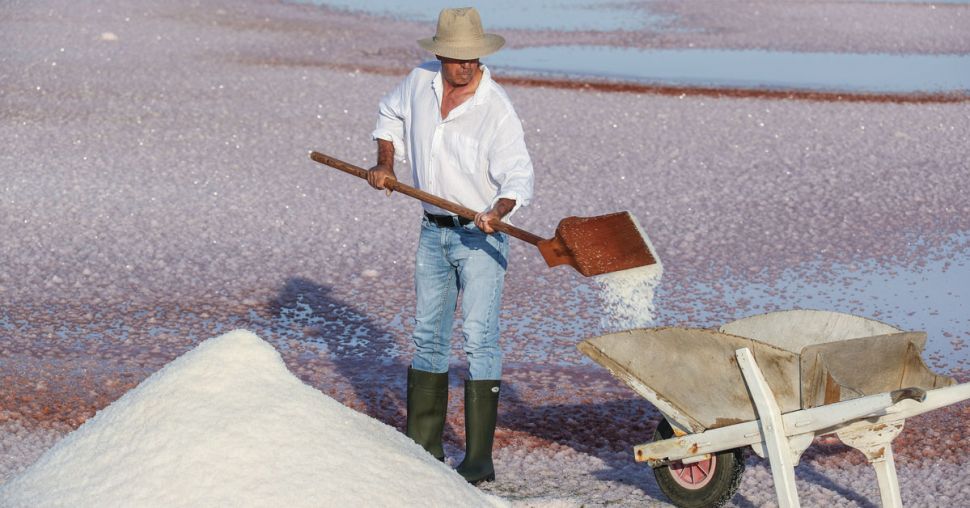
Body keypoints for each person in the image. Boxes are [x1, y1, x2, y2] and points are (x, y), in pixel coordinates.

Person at [366, 7, 534, 485]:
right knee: (427, 335)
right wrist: (386, 164)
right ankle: (424, 446)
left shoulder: (495, 107)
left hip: (480, 237)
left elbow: (518, 175)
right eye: (458, 58)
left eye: (474, 59)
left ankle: (478, 459)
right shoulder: (419, 81)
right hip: (432, 230)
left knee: (479, 339)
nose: (467, 66)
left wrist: (496, 213)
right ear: (440, 54)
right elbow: (388, 116)